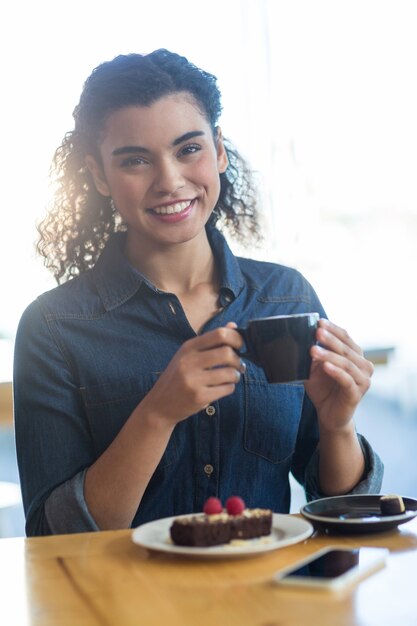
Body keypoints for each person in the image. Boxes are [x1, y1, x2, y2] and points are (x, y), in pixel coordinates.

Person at [13, 49, 383, 536]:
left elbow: (341, 512)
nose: (169, 181)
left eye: (188, 149)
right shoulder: (53, 329)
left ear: (219, 150)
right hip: (127, 609)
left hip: (274, 604)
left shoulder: (286, 297)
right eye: (136, 160)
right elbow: (51, 537)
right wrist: (158, 413)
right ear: (100, 175)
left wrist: (338, 428)